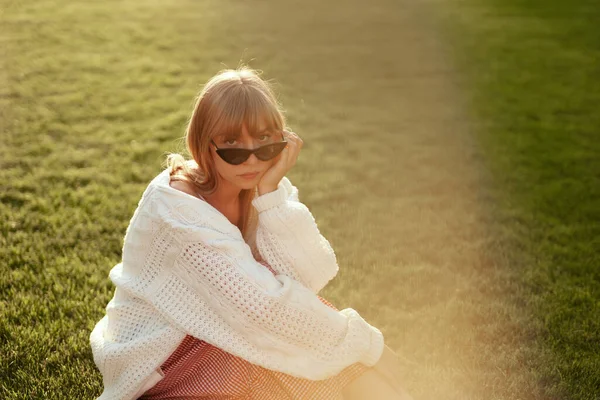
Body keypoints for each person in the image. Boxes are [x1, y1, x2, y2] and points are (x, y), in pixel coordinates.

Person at [89, 66, 413, 400]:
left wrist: (271, 196)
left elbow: (308, 275)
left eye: (264, 141)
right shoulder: (176, 210)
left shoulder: (261, 185)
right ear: (203, 142)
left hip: (233, 327)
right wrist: (369, 344)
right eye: (232, 144)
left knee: (344, 367)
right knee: (329, 355)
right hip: (169, 352)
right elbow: (260, 306)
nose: (251, 159)